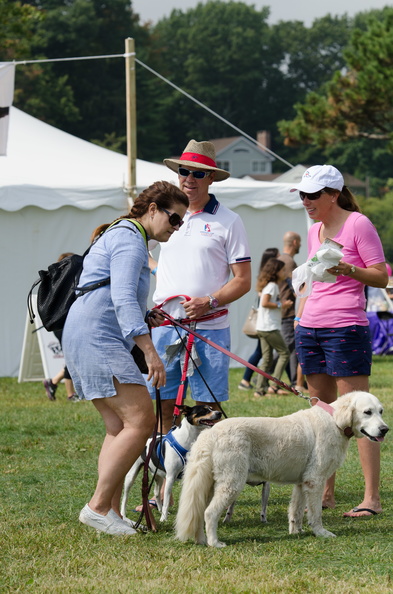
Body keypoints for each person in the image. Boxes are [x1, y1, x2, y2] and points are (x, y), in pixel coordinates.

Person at [62, 181, 189, 535]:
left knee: (118, 427)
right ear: (152, 210)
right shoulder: (131, 239)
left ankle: (110, 511)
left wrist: (146, 315)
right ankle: (97, 506)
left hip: (86, 330)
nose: (176, 227)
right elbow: (119, 296)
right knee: (141, 420)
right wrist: (151, 351)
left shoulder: (124, 235)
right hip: (97, 334)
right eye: (174, 219)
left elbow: (114, 294)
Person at [292, 164, 388, 518]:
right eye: (302, 194)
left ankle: (371, 499)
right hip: (311, 327)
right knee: (322, 417)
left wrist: (350, 270)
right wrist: (301, 315)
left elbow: (380, 275)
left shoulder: (358, 224)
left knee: (361, 415)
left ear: (333, 194)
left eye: (313, 194)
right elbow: (313, 278)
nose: (306, 200)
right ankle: (324, 493)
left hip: (346, 327)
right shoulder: (316, 229)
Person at [148, 139, 251, 434]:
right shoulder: (165, 215)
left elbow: (243, 280)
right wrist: (159, 270)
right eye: (184, 171)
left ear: (212, 178)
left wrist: (210, 301)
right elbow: (136, 246)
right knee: (162, 405)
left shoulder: (229, 221)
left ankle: (208, 474)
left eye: (198, 173)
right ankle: (164, 473)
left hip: (210, 328)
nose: (189, 179)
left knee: (210, 412)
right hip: (166, 326)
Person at [238, 247, 279, 391]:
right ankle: (247, 380)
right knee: (273, 352)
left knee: (268, 352)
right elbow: (264, 299)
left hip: (265, 319)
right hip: (266, 320)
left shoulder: (263, 276)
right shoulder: (269, 279)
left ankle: (256, 380)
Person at [43, 253, 81, 402]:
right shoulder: (64, 282)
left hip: (65, 325)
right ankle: (70, 395)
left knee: (72, 359)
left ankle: (52, 382)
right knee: (71, 359)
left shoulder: (58, 281)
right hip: (63, 325)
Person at [253, 258, 292, 397]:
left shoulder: (266, 285)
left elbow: (263, 299)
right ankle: (274, 386)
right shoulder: (272, 286)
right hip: (269, 327)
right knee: (285, 353)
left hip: (262, 327)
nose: (284, 272)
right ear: (276, 272)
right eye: (282, 270)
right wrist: (282, 305)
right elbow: (264, 303)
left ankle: (259, 390)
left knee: (267, 358)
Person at [278, 232, 303, 390]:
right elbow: (296, 288)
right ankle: (262, 380)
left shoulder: (279, 259)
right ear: (295, 242)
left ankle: (295, 381)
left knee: (287, 347)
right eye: (299, 242)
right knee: (285, 348)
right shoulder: (288, 262)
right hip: (287, 312)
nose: (300, 245)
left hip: (281, 311)